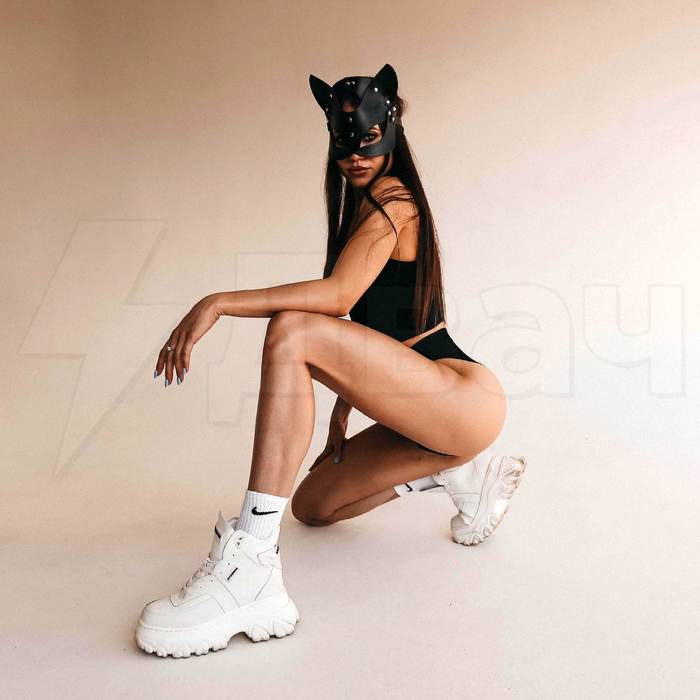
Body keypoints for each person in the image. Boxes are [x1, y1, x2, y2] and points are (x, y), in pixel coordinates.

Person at [134, 64, 527, 659]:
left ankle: (250, 567)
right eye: (343, 144)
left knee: (292, 329)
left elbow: (338, 299)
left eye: (367, 141)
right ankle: (455, 473)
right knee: (315, 506)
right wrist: (342, 413)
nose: (355, 156)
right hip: (424, 408)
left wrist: (218, 302)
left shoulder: (394, 201)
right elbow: (372, 327)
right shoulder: (364, 208)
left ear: (391, 132)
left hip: (460, 396)